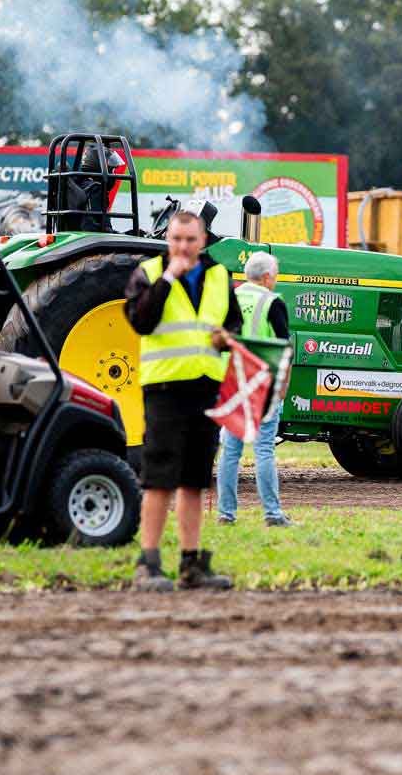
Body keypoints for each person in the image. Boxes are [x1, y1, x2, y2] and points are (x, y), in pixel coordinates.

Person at [124, 210, 243, 591]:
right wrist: (168, 278)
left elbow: (234, 322)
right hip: (165, 389)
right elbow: (141, 321)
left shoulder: (220, 276)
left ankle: (191, 566)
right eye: (176, 239)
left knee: (194, 481)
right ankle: (149, 563)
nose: (182, 246)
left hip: (205, 387)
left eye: (190, 240)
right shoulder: (148, 273)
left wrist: (228, 336)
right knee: (158, 479)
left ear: (203, 240)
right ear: (168, 239)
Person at [216, 251, 293, 528]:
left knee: (230, 451)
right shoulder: (272, 302)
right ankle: (272, 514)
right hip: (263, 385)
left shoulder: (229, 298)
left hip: (233, 384)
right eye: (276, 274)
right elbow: (285, 349)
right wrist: (283, 386)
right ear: (267, 277)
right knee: (264, 450)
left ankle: (226, 514)